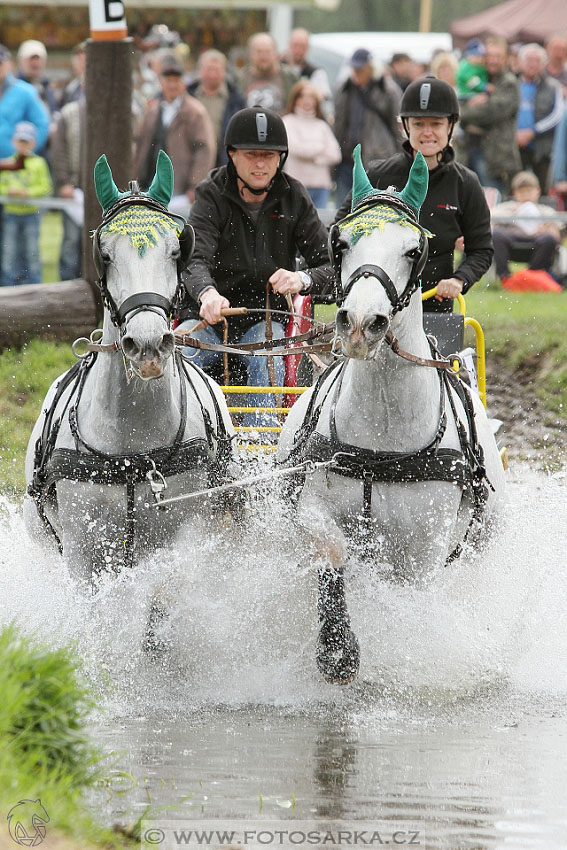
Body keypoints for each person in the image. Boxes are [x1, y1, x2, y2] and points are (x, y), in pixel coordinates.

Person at [177, 106, 334, 420]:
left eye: (268, 155)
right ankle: (182, 438)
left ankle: (258, 442)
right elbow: (193, 257)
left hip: (265, 320)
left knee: (268, 359)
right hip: (206, 318)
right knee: (174, 356)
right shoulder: (210, 193)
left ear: (280, 158)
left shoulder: (295, 196)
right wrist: (207, 293)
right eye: (251, 154)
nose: (260, 163)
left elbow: (331, 267)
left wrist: (301, 279)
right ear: (232, 155)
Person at [335, 75, 493, 313]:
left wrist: (459, 279)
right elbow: (339, 228)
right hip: (377, 307)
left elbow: (481, 249)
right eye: (419, 124)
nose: (427, 132)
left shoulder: (465, 183)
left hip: (433, 305)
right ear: (406, 126)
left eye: (436, 124)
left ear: (450, 126)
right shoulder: (378, 174)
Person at [135, 53, 216, 214]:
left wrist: (195, 186)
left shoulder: (195, 112)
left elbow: (205, 149)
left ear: (183, 83)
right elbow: (139, 144)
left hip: (180, 192)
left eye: (176, 80)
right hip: (149, 186)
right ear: (161, 83)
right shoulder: (153, 110)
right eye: (168, 80)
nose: (172, 85)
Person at [334, 48, 402, 204]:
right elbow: (338, 124)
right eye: (354, 68)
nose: (356, 72)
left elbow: (398, 128)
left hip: (377, 161)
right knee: (343, 208)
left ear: (371, 68)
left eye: (360, 68)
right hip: (347, 160)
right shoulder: (345, 89)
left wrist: (399, 160)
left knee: (372, 207)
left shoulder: (388, 90)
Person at [459, 36, 521, 194]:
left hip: (495, 158)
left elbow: (491, 111)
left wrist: (463, 111)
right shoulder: (479, 78)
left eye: (497, 56)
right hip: (470, 150)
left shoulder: (508, 82)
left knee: (492, 200)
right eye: (489, 56)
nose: (493, 60)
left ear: (506, 58)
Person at [0, 122, 52, 286]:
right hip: (11, 213)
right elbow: (1, 185)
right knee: (9, 251)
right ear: (14, 141)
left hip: (31, 214)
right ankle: (8, 285)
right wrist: (8, 191)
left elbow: (45, 186)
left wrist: (27, 192)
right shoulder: (7, 163)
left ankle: (34, 285)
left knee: (32, 251)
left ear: (33, 143)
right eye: (20, 141)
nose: (23, 145)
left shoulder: (39, 163)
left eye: (26, 142)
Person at [491, 170, 562, 285]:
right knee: (497, 234)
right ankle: (506, 278)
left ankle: (531, 275)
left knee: (549, 238)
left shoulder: (545, 211)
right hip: (513, 240)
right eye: (522, 192)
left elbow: (558, 230)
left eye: (529, 191)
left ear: (537, 191)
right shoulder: (508, 207)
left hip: (537, 241)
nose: (526, 195)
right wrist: (514, 214)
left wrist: (548, 228)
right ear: (515, 193)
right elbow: (491, 215)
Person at [282, 80, 341, 209]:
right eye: (302, 96)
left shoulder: (321, 125)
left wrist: (315, 158)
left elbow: (335, 154)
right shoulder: (288, 122)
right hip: (296, 184)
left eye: (310, 97)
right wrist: (320, 147)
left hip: (321, 186)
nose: (306, 101)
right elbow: (296, 148)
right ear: (295, 99)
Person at [515, 43, 564, 193]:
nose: (533, 64)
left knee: (542, 189)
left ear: (543, 64)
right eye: (529, 60)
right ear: (520, 62)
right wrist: (515, 133)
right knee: (516, 186)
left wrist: (533, 131)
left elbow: (557, 115)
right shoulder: (512, 84)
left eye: (537, 60)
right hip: (515, 145)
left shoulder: (553, 86)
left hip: (542, 148)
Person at [187, 49, 245, 167]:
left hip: (224, 161)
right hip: (193, 160)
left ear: (224, 72)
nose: (212, 75)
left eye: (217, 70)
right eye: (209, 69)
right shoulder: (188, 95)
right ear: (200, 70)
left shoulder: (236, 99)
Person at [237, 33, 298, 115]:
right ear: (250, 54)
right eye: (259, 52)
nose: (263, 56)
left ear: (276, 54)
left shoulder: (290, 76)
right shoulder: (240, 77)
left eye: (268, 52)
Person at [281, 28, 333, 118]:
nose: (298, 50)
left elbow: (323, 97)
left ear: (308, 48)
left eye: (302, 46)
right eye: (295, 45)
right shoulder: (278, 69)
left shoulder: (316, 73)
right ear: (289, 45)